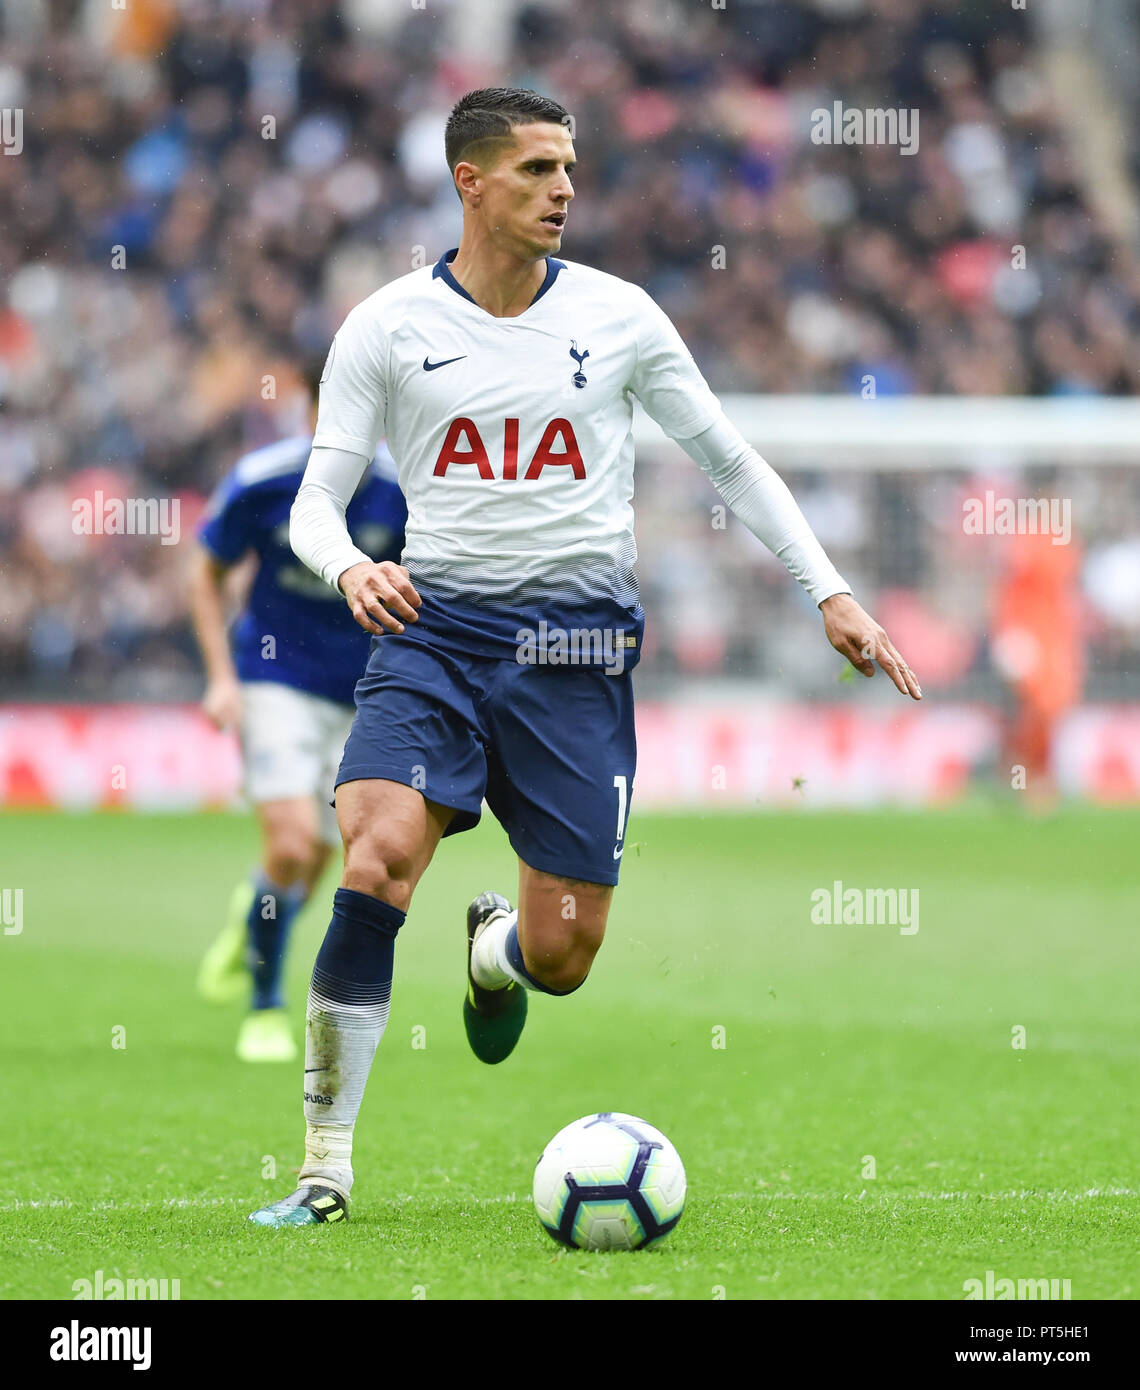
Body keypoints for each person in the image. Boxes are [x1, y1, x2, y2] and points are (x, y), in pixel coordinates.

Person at [250, 89, 921, 1226]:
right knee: (374, 859)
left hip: (576, 656)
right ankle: (323, 1170)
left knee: (563, 957)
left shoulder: (621, 317)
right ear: (470, 183)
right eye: (536, 170)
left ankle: (495, 951)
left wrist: (832, 588)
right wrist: (350, 567)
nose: (564, 189)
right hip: (435, 634)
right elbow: (319, 505)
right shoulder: (386, 327)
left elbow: (729, 459)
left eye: (568, 167)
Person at [190, 369, 407, 1062]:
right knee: (289, 845)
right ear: (310, 412)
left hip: (361, 691)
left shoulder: (402, 492)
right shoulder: (262, 480)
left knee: (316, 861)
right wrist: (222, 678)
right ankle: (265, 1006)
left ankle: (250, 914)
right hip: (273, 676)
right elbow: (205, 571)